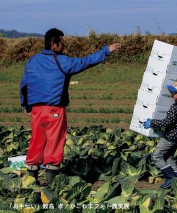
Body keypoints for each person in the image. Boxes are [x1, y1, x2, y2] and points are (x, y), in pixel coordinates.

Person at [20, 28, 121, 185]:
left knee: (36, 140)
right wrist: (105, 51)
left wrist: (25, 104)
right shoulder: (61, 60)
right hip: (54, 109)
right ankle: (51, 180)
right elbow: (84, 62)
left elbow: (24, 83)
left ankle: (31, 178)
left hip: (36, 110)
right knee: (54, 140)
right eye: (62, 42)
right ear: (54, 44)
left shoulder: (32, 60)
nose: (63, 46)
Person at [143, 80, 177, 189]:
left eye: (174, 93)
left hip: (170, 137)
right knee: (168, 156)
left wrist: (152, 123)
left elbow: (168, 122)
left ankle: (170, 177)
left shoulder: (176, 107)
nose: (172, 94)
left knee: (157, 156)